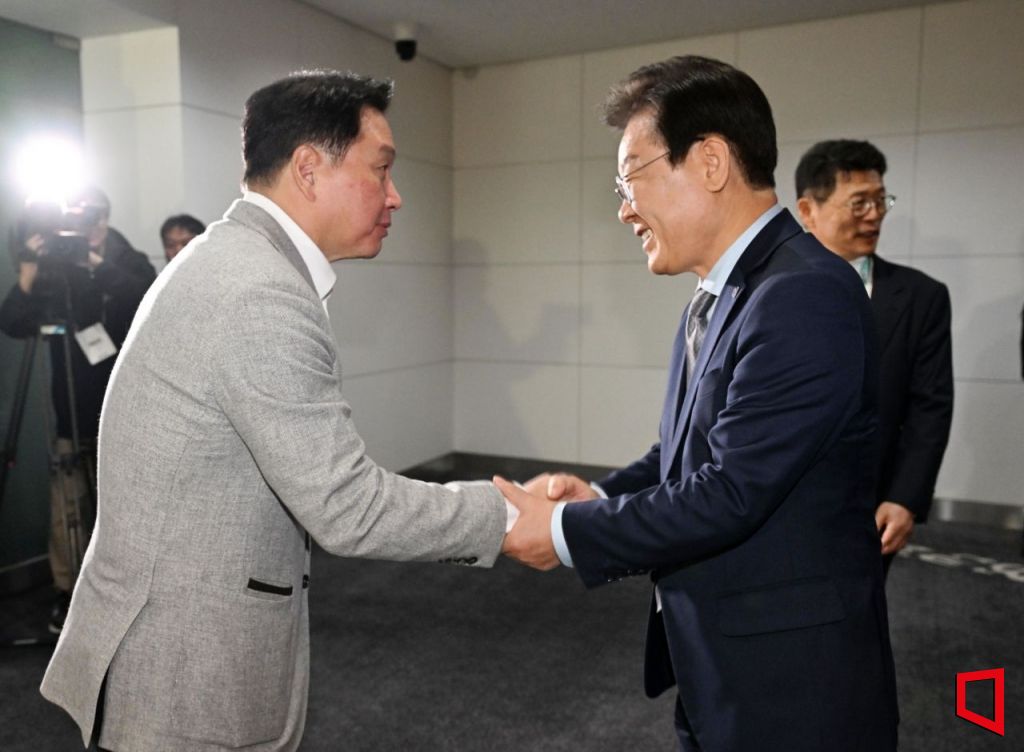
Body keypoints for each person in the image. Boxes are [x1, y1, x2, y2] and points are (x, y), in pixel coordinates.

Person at [40, 71, 512, 752]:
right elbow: (347, 507)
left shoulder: (232, 259)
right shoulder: (258, 290)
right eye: (381, 169)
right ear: (309, 169)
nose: (395, 195)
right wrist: (509, 516)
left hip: (174, 653)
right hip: (185, 679)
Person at [499, 56, 898, 752]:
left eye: (630, 178)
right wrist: (598, 494)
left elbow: (730, 490)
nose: (624, 208)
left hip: (794, 685)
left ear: (710, 161)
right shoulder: (723, 294)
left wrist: (564, 531)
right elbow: (686, 453)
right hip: (725, 665)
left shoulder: (803, 292)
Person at [795, 139, 953, 576]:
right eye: (859, 202)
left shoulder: (922, 297)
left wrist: (905, 498)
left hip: (868, 506)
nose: (875, 214)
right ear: (808, 210)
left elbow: (930, 406)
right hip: (773, 502)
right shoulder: (765, 288)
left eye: (881, 200)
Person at [0, 187, 155, 633]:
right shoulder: (56, 265)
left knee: (124, 506)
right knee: (68, 505)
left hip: (125, 407)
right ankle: (67, 592)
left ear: (104, 218)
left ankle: (130, 593)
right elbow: (14, 322)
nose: (84, 227)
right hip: (69, 406)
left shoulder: (128, 260)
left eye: (91, 218)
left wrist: (96, 265)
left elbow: (143, 299)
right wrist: (30, 268)